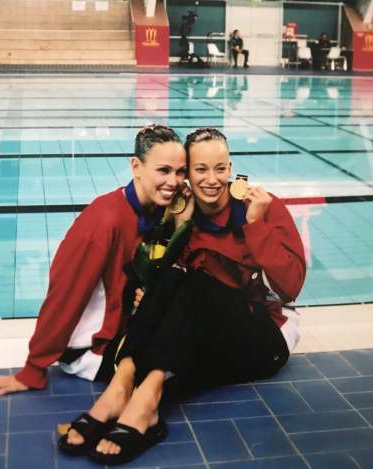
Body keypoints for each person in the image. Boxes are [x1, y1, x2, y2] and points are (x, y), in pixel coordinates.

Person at [65, 127, 306, 465]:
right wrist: (175, 235)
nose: (212, 179)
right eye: (201, 170)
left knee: (194, 281)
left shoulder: (261, 208)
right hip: (209, 340)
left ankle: (144, 395)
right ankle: (123, 384)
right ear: (187, 176)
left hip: (264, 340)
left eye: (220, 169)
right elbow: (160, 287)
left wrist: (254, 225)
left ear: (231, 168)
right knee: (173, 277)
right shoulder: (183, 218)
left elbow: (291, 287)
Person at [0, 125, 187, 396]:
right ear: (136, 167)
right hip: (91, 352)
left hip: (121, 332)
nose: (174, 181)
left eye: (181, 172)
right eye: (164, 170)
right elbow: (65, 294)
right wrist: (34, 368)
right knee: (189, 362)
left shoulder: (153, 212)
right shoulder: (104, 220)